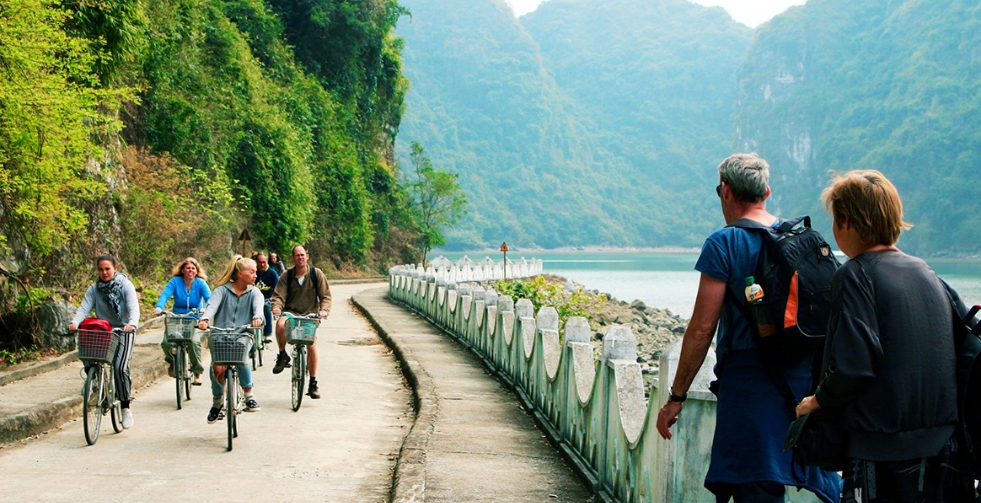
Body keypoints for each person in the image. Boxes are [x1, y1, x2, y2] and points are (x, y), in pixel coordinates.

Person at [655, 153, 839, 503]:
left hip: (749, 384)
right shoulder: (803, 238)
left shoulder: (724, 243)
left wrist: (676, 397)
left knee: (754, 487)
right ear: (766, 192)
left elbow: (701, 329)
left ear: (725, 190)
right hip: (804, 383)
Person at [796, 170, 967, 502]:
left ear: (846, 221)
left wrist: (815, 402)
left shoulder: (856, 274)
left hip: (882, 450)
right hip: (945, 449)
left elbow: (853, 367)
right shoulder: (928, 274)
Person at [68, 255, 140, 429]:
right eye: (101, 269)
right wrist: (75, 322)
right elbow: (84, 308)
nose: (104, 272)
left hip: (123, 331)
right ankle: (94, 379)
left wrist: (131, 324)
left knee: (119, 367)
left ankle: (125, 407)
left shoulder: (125, 286)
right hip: (104, 330)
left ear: (115, 268)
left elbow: (133, 308)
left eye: (107, 268)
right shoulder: (94, 289)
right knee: (88, 350)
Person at [197, 256, 264, 423]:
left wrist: (257, 318)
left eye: (256, 272)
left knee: (242, 358)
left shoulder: (255, 292)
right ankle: (217, 401)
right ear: (240, 273)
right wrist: (205, 319)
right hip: (220, 335)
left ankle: (249, 395)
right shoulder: (221, 290)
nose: (255, 275)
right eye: (252, 272)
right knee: (217, 368)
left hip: (243, 335)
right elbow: (211, 306)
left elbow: (258, 309)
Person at [270, 245, 331, 399]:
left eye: (302, 255)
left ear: (307, 256)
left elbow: (326, 296)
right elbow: (278, 295)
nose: (300, 257)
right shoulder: (287, 275)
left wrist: (324, 310)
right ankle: (282, 355)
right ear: (292, 258)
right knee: (280, 324)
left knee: (311, 343)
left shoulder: (316, 274)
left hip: (311, 314)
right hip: (291, 313)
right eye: (297, 255)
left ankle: (313, 382)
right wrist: (277, 307)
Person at [153, 257, 211, 385]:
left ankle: (197, 372)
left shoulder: (200, 283)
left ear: (197, 271)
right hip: (176, 318)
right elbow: (165, 295)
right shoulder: (175, 281)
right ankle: (173, 361)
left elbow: (210, 299)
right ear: (182, 270)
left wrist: (205, 310)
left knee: (194, 342)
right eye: (188, 268)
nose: (190, 270)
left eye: (193, 268)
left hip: (194, 318)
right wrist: (159, 307)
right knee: (166, 343)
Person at [254, 252, 279, 344]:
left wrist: (273, 297)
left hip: (267, 298)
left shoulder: (272, 273)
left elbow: (277, 288)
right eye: (260, 262)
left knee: (266, 307)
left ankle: (267, 333)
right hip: (253, 299)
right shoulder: (253, 272)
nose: (262, 264)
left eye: (264, 262)